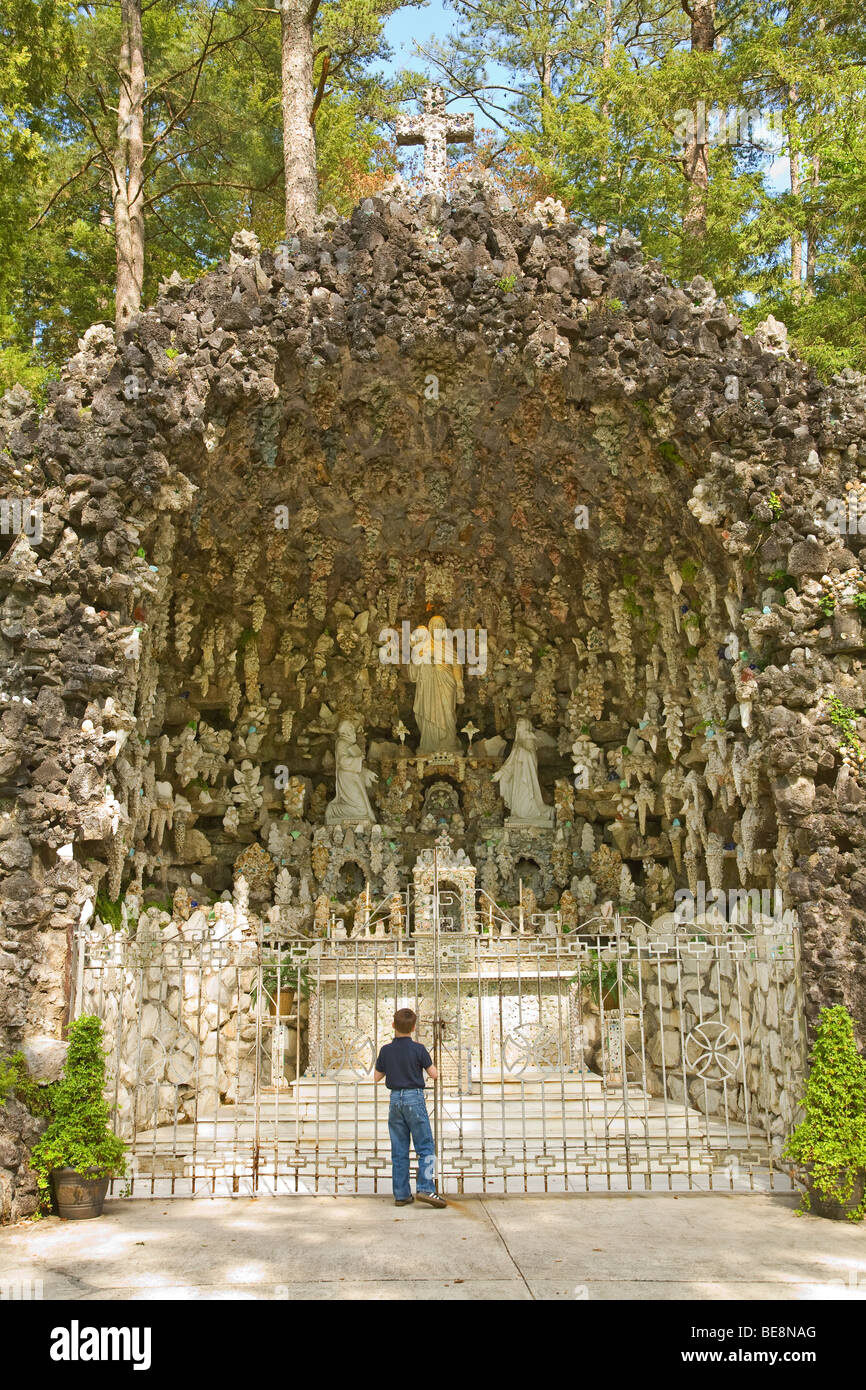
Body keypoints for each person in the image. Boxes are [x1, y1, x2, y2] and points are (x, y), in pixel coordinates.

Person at [374, 1008, 447, 1208]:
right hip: (414, 1098)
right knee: (425, 1146)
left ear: (392, 1026)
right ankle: (426, 1188)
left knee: (399, 1148)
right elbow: (434, 1074)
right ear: (414, 1028)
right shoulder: (418, 1049)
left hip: (395, 1099)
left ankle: (401, 1194)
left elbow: (377, 1077)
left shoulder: (386, 1050)